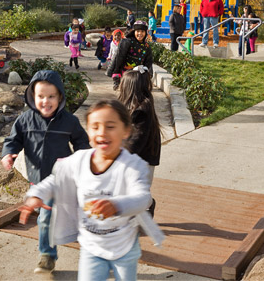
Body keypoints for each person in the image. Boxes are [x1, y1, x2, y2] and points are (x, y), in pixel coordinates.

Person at [18, 99, 163, 280]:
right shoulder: (79, 160)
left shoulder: (133, 166)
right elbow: (56, 180)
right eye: (95, 127)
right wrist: (36, 194)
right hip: (91, 247)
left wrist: (117, 205)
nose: (102, 132)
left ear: (126, 131)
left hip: (124, 247)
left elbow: (143, 198)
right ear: (88, 131)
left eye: (110, 126)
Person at [1, 70, 90, 274]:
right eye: (40, 96)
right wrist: (8, 154)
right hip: (38, 182)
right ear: (33, 97)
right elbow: (12, 140)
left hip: (63, 178)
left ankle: (73, 245)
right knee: (46, 217)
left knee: (57, 216)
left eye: (51, 96)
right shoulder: (25, 120)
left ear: (60, 97)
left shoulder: (69, 121)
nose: (46, 101)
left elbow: (81, 142)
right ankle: (48, 255)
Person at [118, 68, 161, 216]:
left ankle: (148, 204)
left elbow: (137, 140)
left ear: (130, 89)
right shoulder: (131, 107)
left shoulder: (142, 111)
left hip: (144, 158)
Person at [110, 21, 153, 91]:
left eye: (142, 31)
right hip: (125, 75)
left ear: (145, 33)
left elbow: (148, 62)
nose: (140, 33)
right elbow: (119, 57)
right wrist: (116, 73)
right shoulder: (127, 42)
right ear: (134, 32)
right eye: (138, 31)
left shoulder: (147, 47)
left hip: (137, 77)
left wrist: (146, 75)